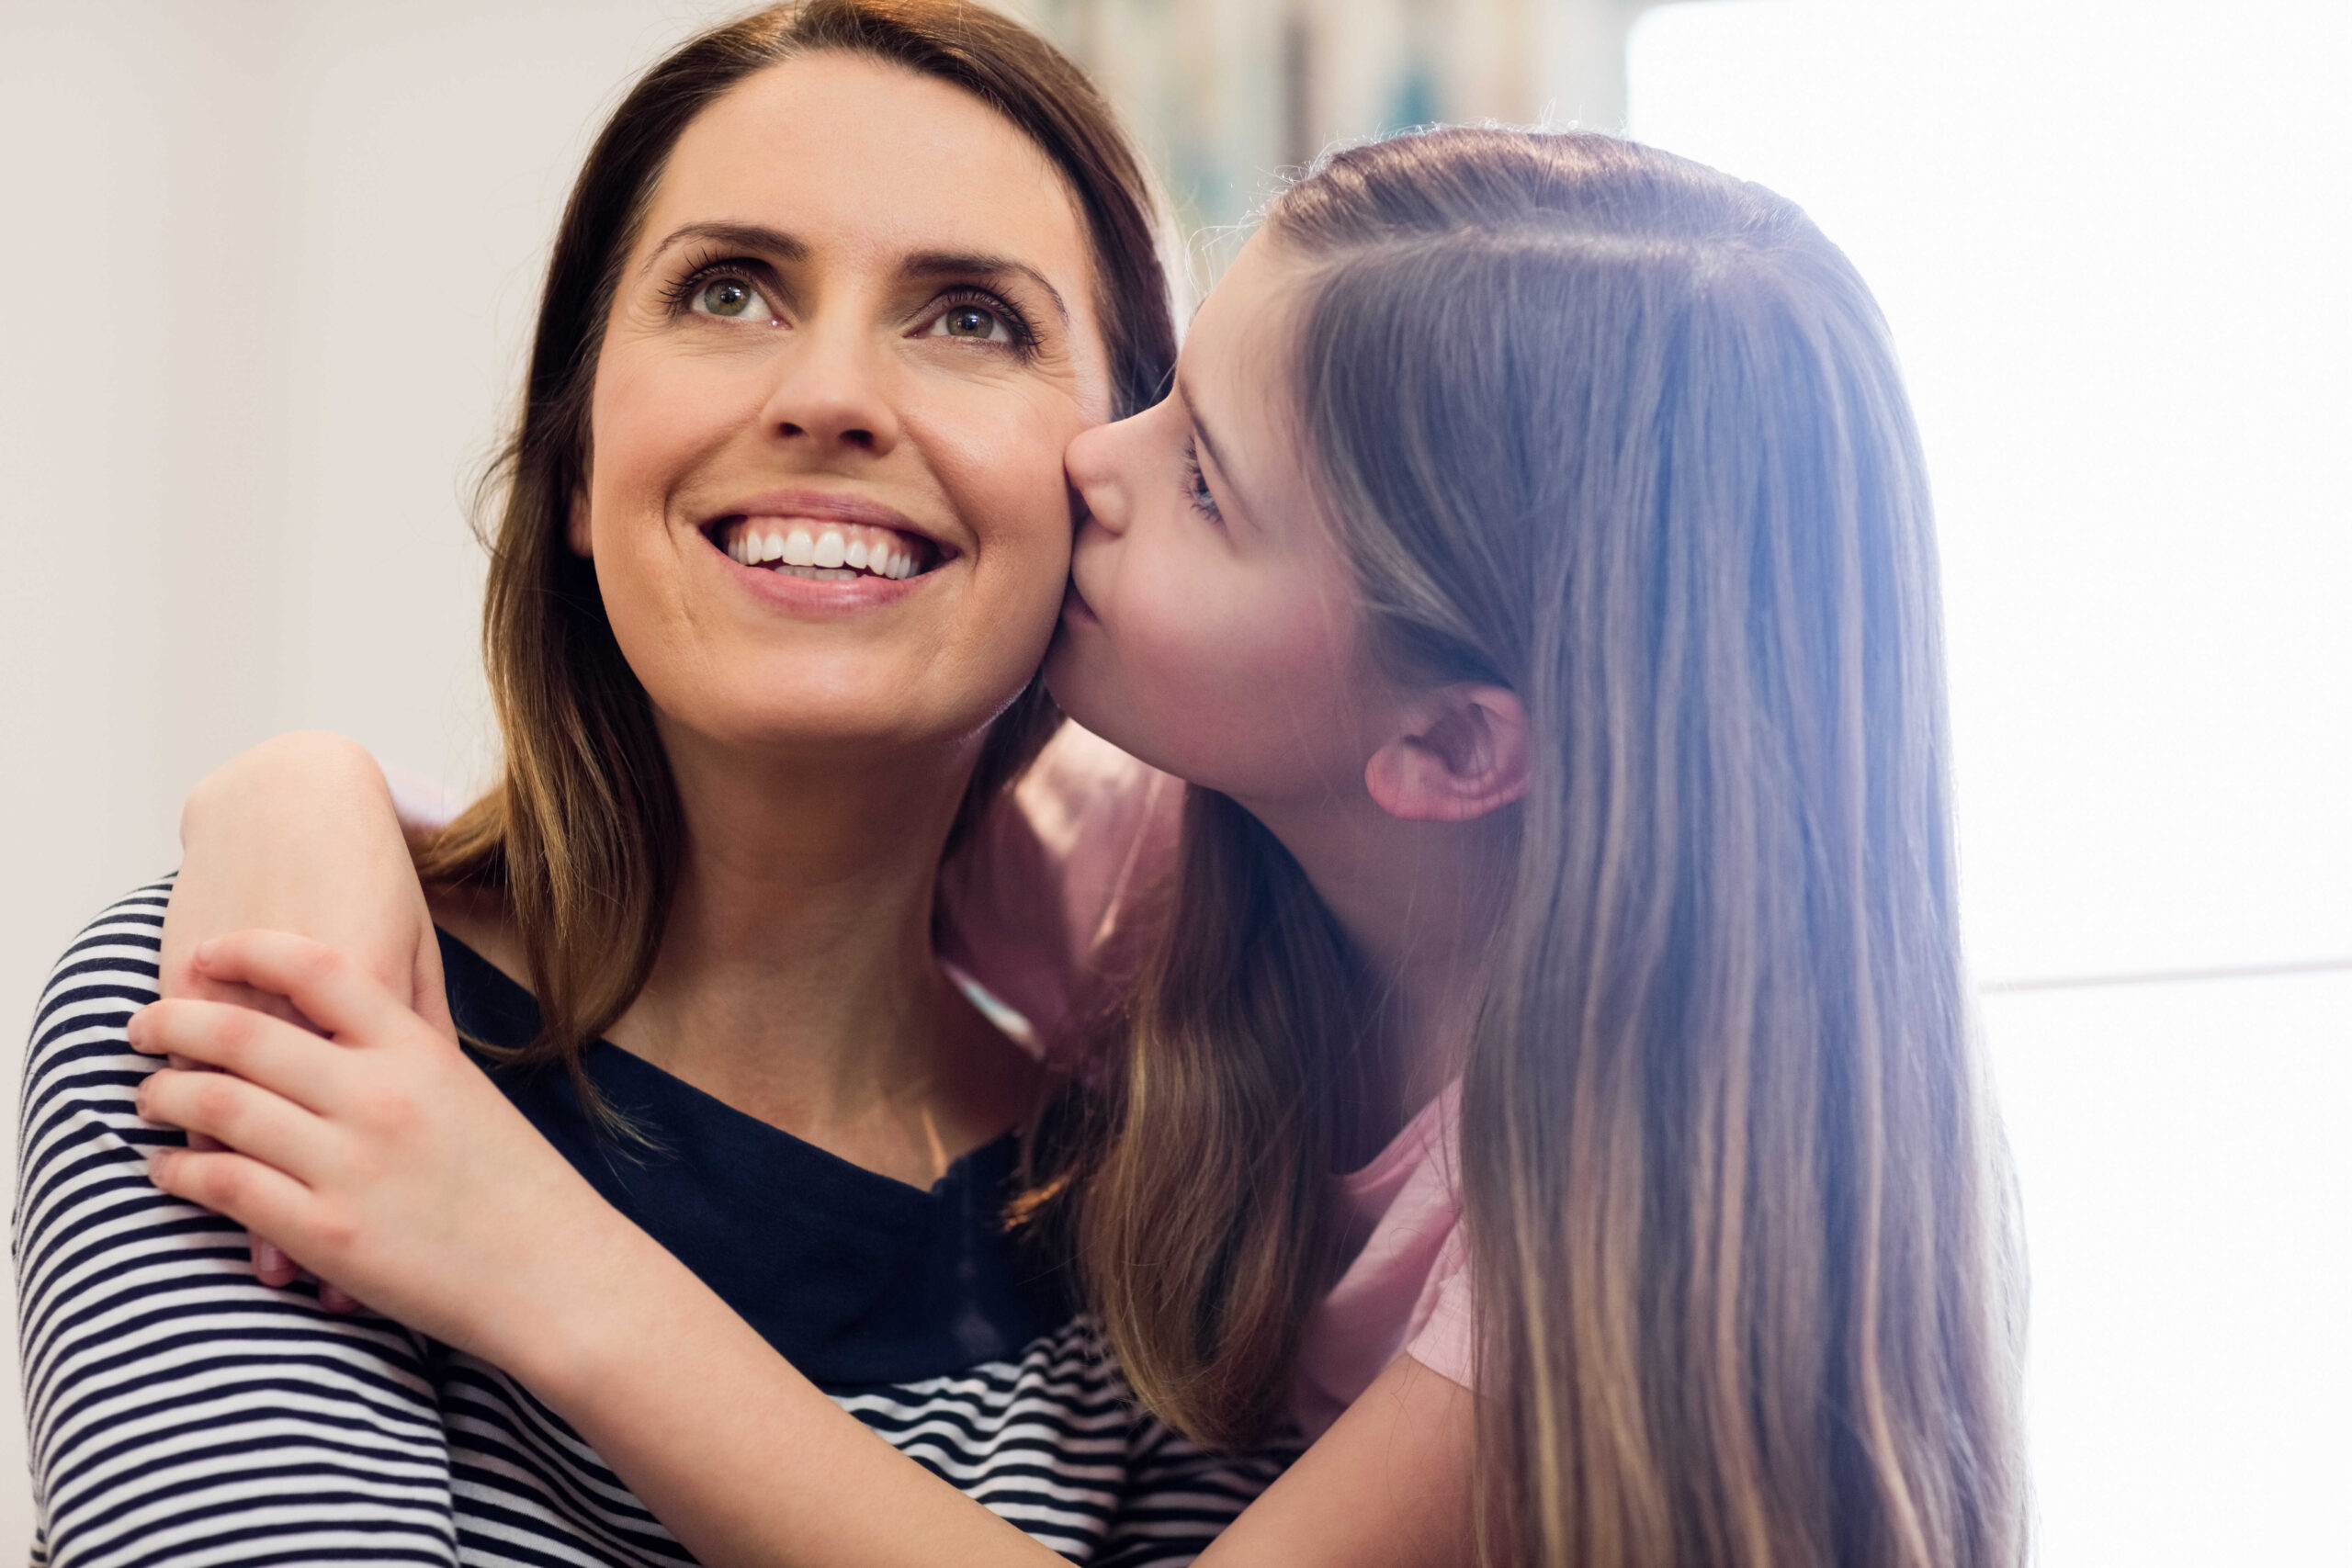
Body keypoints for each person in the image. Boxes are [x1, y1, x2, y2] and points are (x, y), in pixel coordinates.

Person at [98, 126, 2029, 1568]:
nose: (1090, 464)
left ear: (1445, 740)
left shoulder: (1621, 1198)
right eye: (726, 287)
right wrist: (287, 791)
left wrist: (531, 1251)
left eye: (1199, 476)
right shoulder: (1159, 891)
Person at [12, 6, 1292, 1565]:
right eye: (729, 290)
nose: (831, 395)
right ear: (569, 463)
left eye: (968, 317)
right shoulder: (252, 1018)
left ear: (1111, 505)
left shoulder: (1169, 1219)